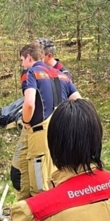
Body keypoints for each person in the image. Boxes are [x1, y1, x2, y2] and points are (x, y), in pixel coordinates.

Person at [17, 42, 80, 199]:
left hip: (40, 132)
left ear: (29, 57)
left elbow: (29, 103)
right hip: (61, 131)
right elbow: (80, 101)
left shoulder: (31, 73)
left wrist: (25, 121)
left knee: (40, 183)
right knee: (58, 174)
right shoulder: (62, 75)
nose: (22, 64)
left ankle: (42, 218)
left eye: (22, 60)